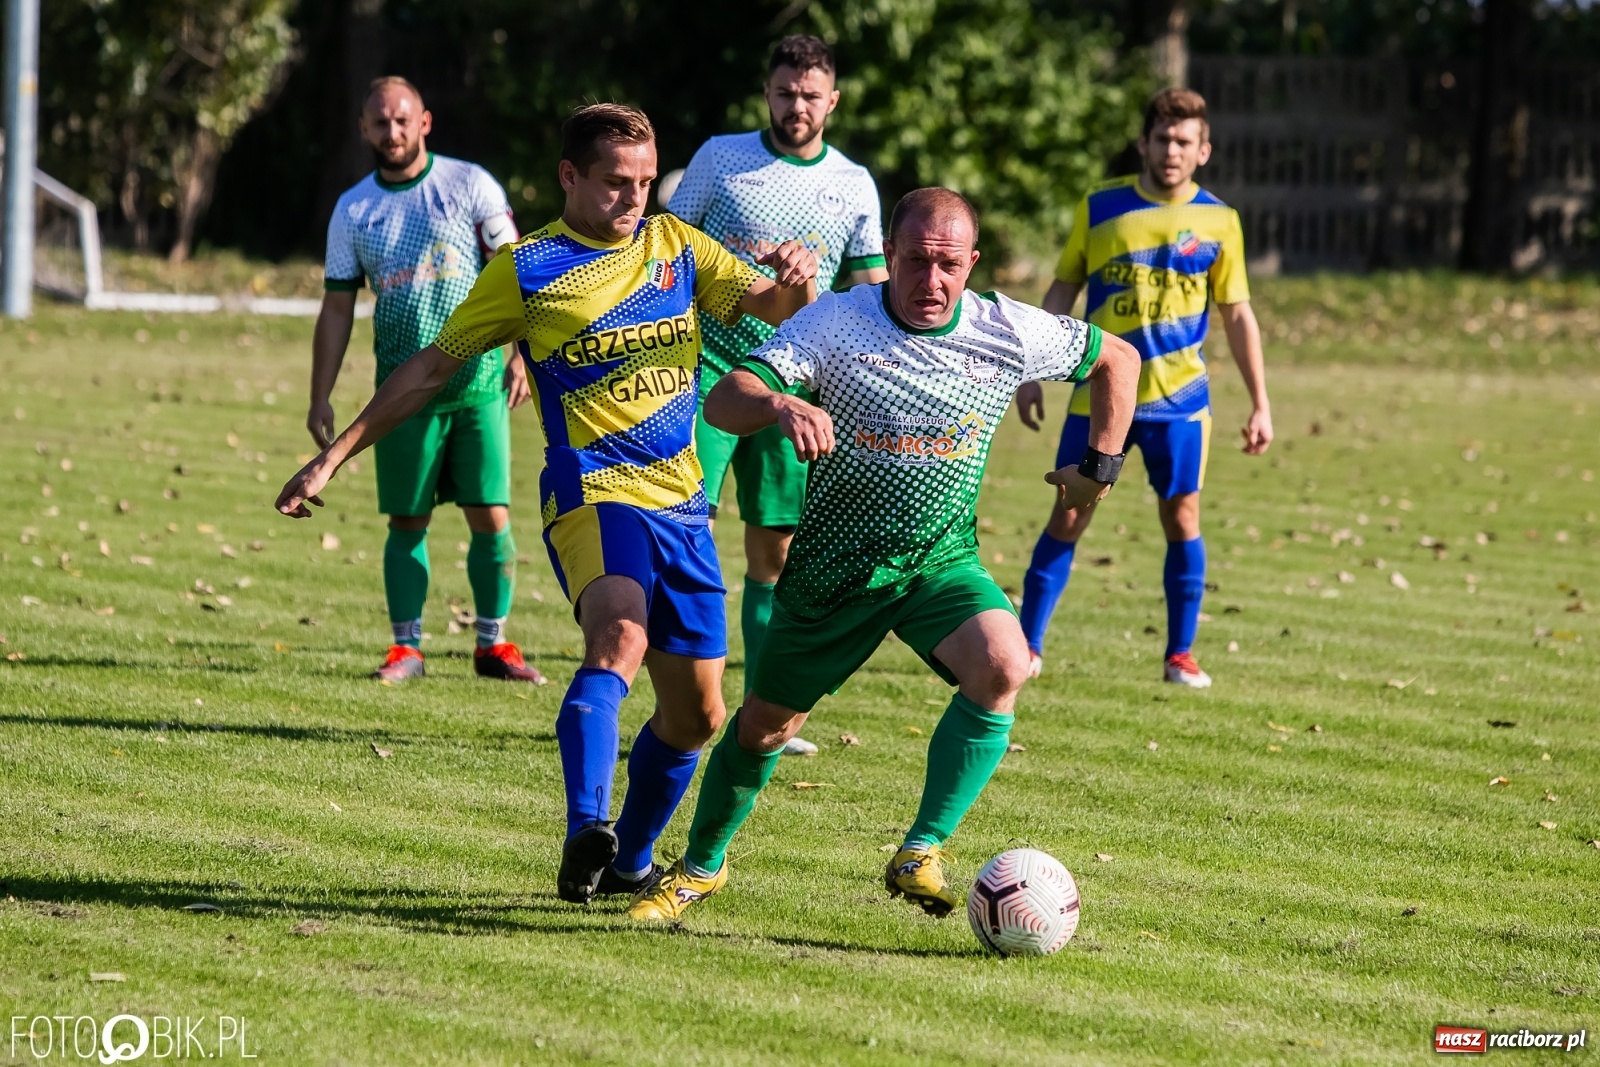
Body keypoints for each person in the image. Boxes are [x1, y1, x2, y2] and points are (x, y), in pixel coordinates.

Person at [276, 104, 820, 905]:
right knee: (619, 637)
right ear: (569, 176)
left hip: (683, 503)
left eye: (642, 182)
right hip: (593, 492)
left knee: (699, 716)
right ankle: (584, 825)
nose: (633, 199)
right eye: (613, 183)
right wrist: (332, 457)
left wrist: (797, 284)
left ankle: (627, 860)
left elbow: (772, 309)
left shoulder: (676, 244)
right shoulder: (526, 269)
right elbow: (429, 369)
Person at [627, 188, 1139, 922]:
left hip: (938, 563)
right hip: (833, 572)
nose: (932, 281)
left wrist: (1100, 467)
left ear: (973, 264)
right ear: (889, 256)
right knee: (765, 728)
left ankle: (921, 848)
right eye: (917, 261)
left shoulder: (1004, 328)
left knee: (1005, 663)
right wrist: (780, 402)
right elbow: (725, 398)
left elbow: (1116, 358)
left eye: (948, 265)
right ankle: (701, 868)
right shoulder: (836, 321)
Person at [668, 35, 888, 755]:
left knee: (775, 549)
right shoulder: (720, 159)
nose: (797, 106)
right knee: (682, 528)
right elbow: (668, 250)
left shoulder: (854, 185)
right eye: (785, 92)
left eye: (811, 94)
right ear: (768, 92)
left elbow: (871, 294)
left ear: (834, 100)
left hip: (795, 381)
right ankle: (681, 698)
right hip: (704, 371)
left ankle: (761, 712)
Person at [1015, 88, 1273, 689]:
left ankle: (1179, 654)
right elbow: (1062, 292)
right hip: (1099, 397)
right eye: (1163, 139)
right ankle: (1027, 646)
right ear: (1144, 143)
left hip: (1181, 402)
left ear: (1203, 149)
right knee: (1068, 512)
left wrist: (1261, 402)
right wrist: (1031, 370)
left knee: (1182, 519)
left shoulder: (1221, 221)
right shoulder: (1101, 207)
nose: (1172, 150)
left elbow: (1237, 314)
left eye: (1185, 141)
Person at [312, 76, 542, 684]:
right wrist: (320, 394)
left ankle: (493, 646)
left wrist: (521, 356)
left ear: (425, 122)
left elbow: (516, 272)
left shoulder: (469, 185)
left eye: (402, 120)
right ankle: (406, 649)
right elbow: (337, 306)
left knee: (490, 515)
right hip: (400, 392)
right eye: (380, 123)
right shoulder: (354, 209)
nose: (392, 132)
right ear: (365, 130)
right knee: (406, 521)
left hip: (479, 382)